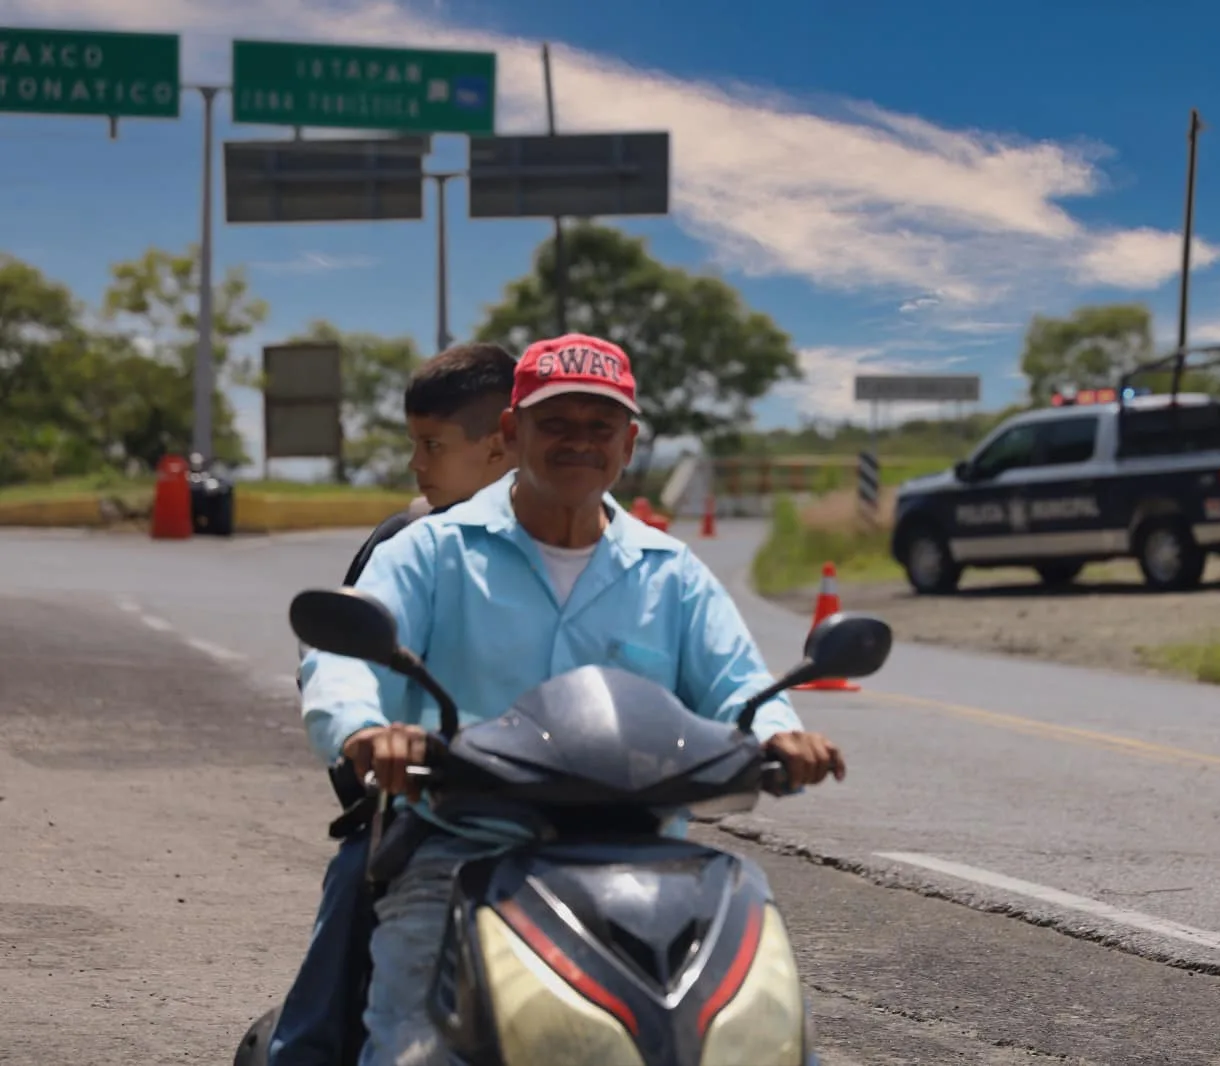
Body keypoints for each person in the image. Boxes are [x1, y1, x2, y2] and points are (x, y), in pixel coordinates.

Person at [298, 332, 845, 1066]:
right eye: (556, 423)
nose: (579, 442)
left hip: (649, 864)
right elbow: (342, 656)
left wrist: (779, 733)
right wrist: (365, 729)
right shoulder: (434, 551)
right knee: (415, 1049)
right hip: (464, 851)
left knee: (764, 1038)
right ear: (512, 431)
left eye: (600, 426)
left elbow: (737, 684)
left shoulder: (670, 571)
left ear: (630, 442)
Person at [269, 342, 517, 1066]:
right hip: (430, 804)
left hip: (563, 802)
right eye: (417, 444)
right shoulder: (409, 540)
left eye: (431, 445)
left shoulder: (585, 543)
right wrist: (368, 742)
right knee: (360, 881)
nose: (417, 463)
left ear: (502, 442)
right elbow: (339, 655)